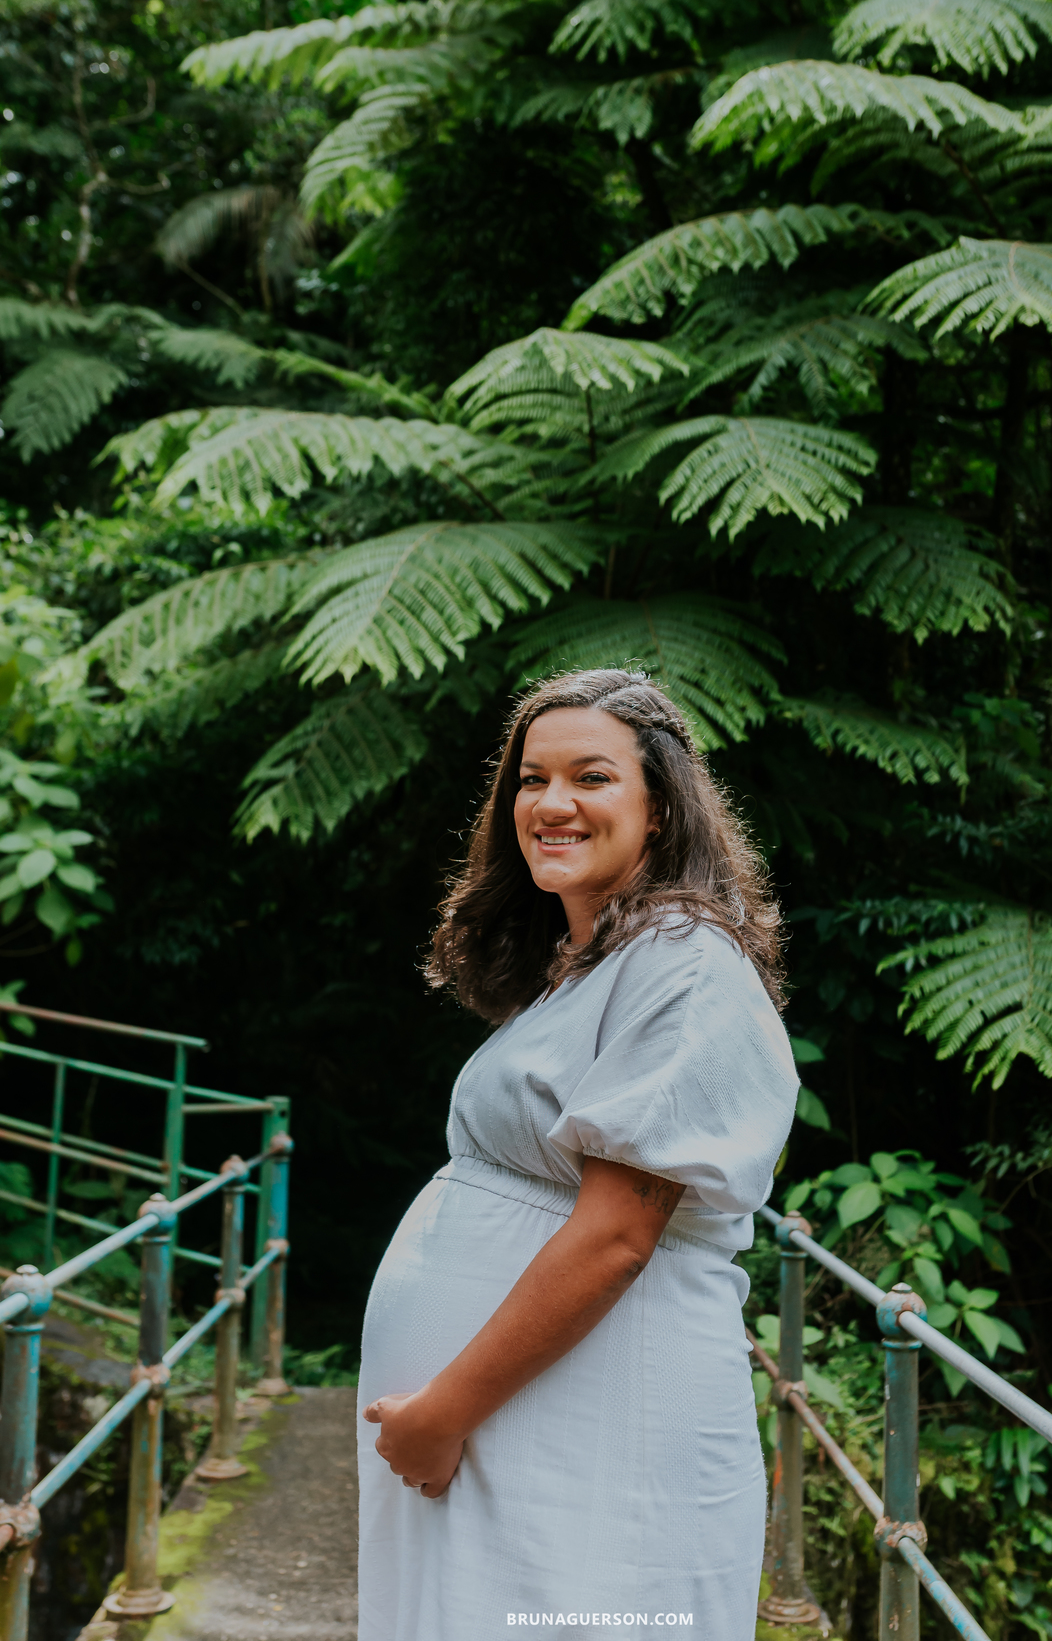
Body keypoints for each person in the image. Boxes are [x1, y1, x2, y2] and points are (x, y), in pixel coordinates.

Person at [357, 668, 799, 1639]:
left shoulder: (685, 963)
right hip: (521, 1418)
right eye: (530, 778)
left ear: (660, 809)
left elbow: (616, 1237)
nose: (551, 803)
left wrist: (443, 1412)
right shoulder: (588, 966)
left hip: (591, 1418)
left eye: (591, 777)